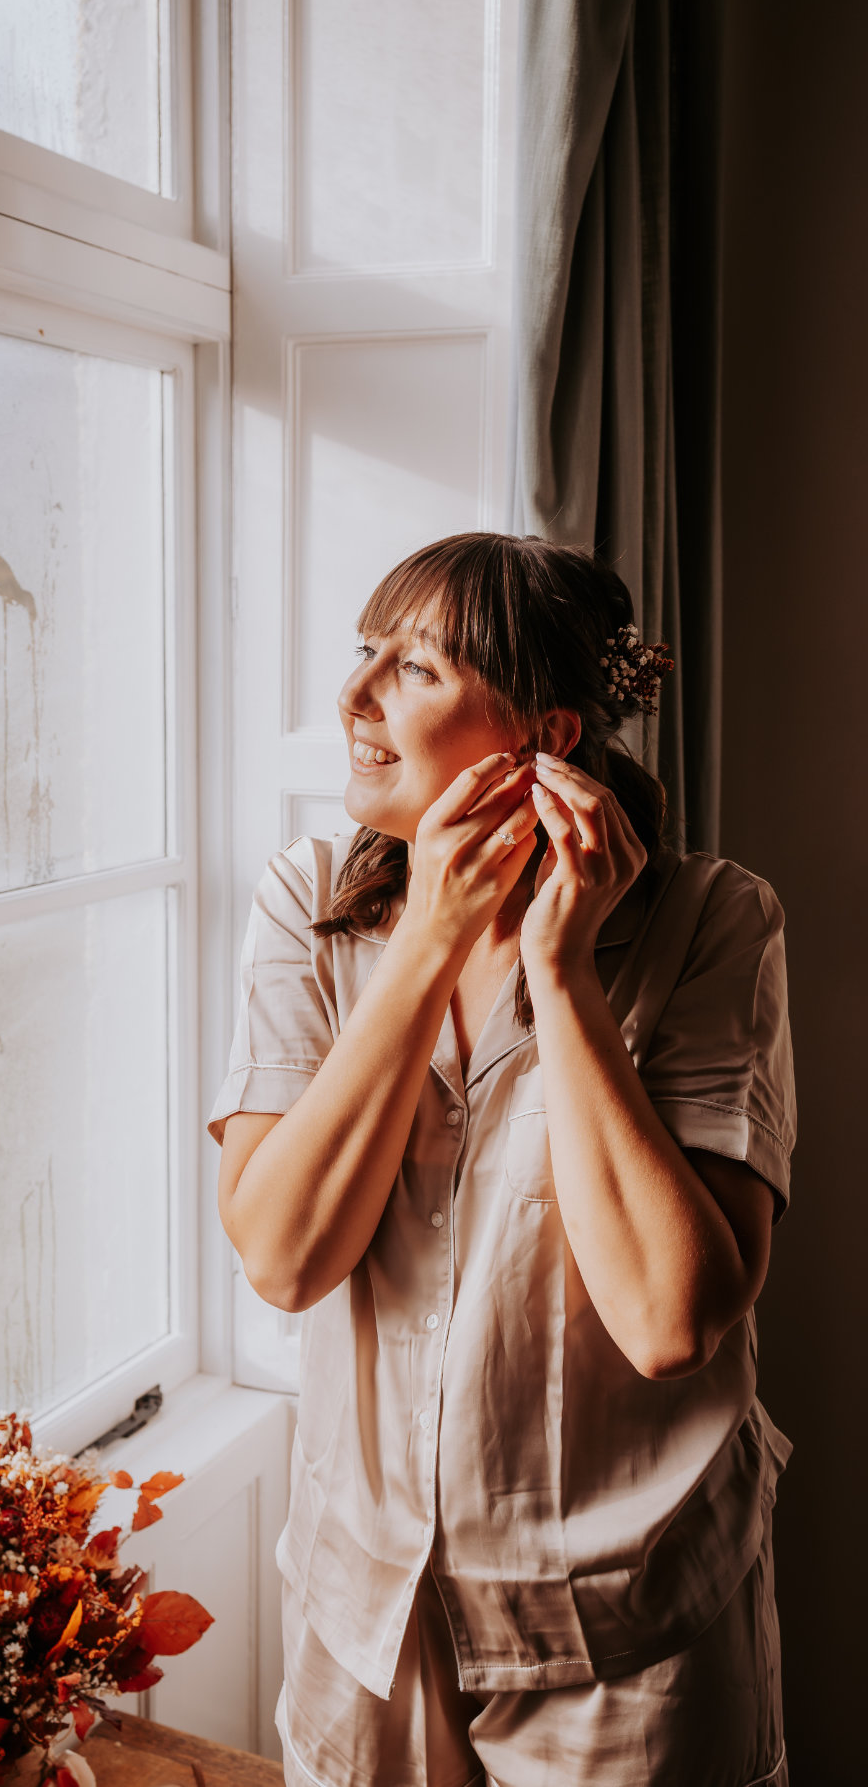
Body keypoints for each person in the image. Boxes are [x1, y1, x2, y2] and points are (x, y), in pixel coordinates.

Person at [206, 534, 795, 1787]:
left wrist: (562, 972)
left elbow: (672, 1316)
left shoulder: (714, 923)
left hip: (629, 1638)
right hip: (364, 1612)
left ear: (548, 733)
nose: (357, 697)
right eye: (365, 654)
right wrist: (426, 938)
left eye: (411, 667)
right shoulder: (303, 901)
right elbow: (283, 1254)